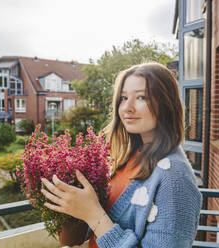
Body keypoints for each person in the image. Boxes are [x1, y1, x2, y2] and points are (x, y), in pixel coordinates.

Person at [41, 62, 202, 247]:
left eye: (141, 97)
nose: (127, 108)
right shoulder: (127, 155)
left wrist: (93, 214)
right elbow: (85, 234)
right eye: (123, 98)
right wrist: (69, 206)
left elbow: (98, 219)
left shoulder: (174, 178)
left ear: (166, 103)